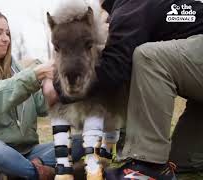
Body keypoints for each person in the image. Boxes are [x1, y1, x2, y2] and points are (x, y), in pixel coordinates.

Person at [43, 0, 203, 179]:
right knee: (182, 162)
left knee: (148, 57)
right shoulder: (125, 10)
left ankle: (148, 166)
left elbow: (114, 67)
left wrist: (57, 87)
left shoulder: (131, 6)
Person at [0, 10, 86, 180]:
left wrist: (59, 86)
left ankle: (22, 173)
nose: (6, 38)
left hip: (27, 154)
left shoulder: (14, 68)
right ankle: (39, 174)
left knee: (81, 141)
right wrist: (35, 75)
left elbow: (41, 104)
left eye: (7, 33)